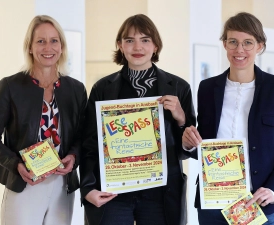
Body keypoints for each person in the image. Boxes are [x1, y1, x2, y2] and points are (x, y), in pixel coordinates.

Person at [182, 12, 274, 225]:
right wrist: (189, 145)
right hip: (213, 203)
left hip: (257, 204)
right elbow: (204, 145)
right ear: (224, 44)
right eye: (233, 42)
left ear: (260, 46)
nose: (239, 50)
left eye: (248, 43)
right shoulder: (208, 89)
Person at [80, 14, 195, 225]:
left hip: (160, 194)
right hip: (113, 193)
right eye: (129, 40)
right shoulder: (102, 89)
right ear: (120, 46)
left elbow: (188, 150)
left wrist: (180, 119)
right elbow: (88, 144)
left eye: (145, 40)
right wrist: (87, 188)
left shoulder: (179, 88)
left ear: (156, 46)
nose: (137, 47)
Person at [0, 15, 87, 225]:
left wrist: (74, 157)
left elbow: (84, 135)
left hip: (62, 187)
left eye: (54, 40)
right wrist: (16, 165)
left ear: (62, 46)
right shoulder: (10, 87)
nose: (48, 47)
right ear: (30, 47)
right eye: (41, 41)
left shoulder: (75, 89)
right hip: (24, 183)